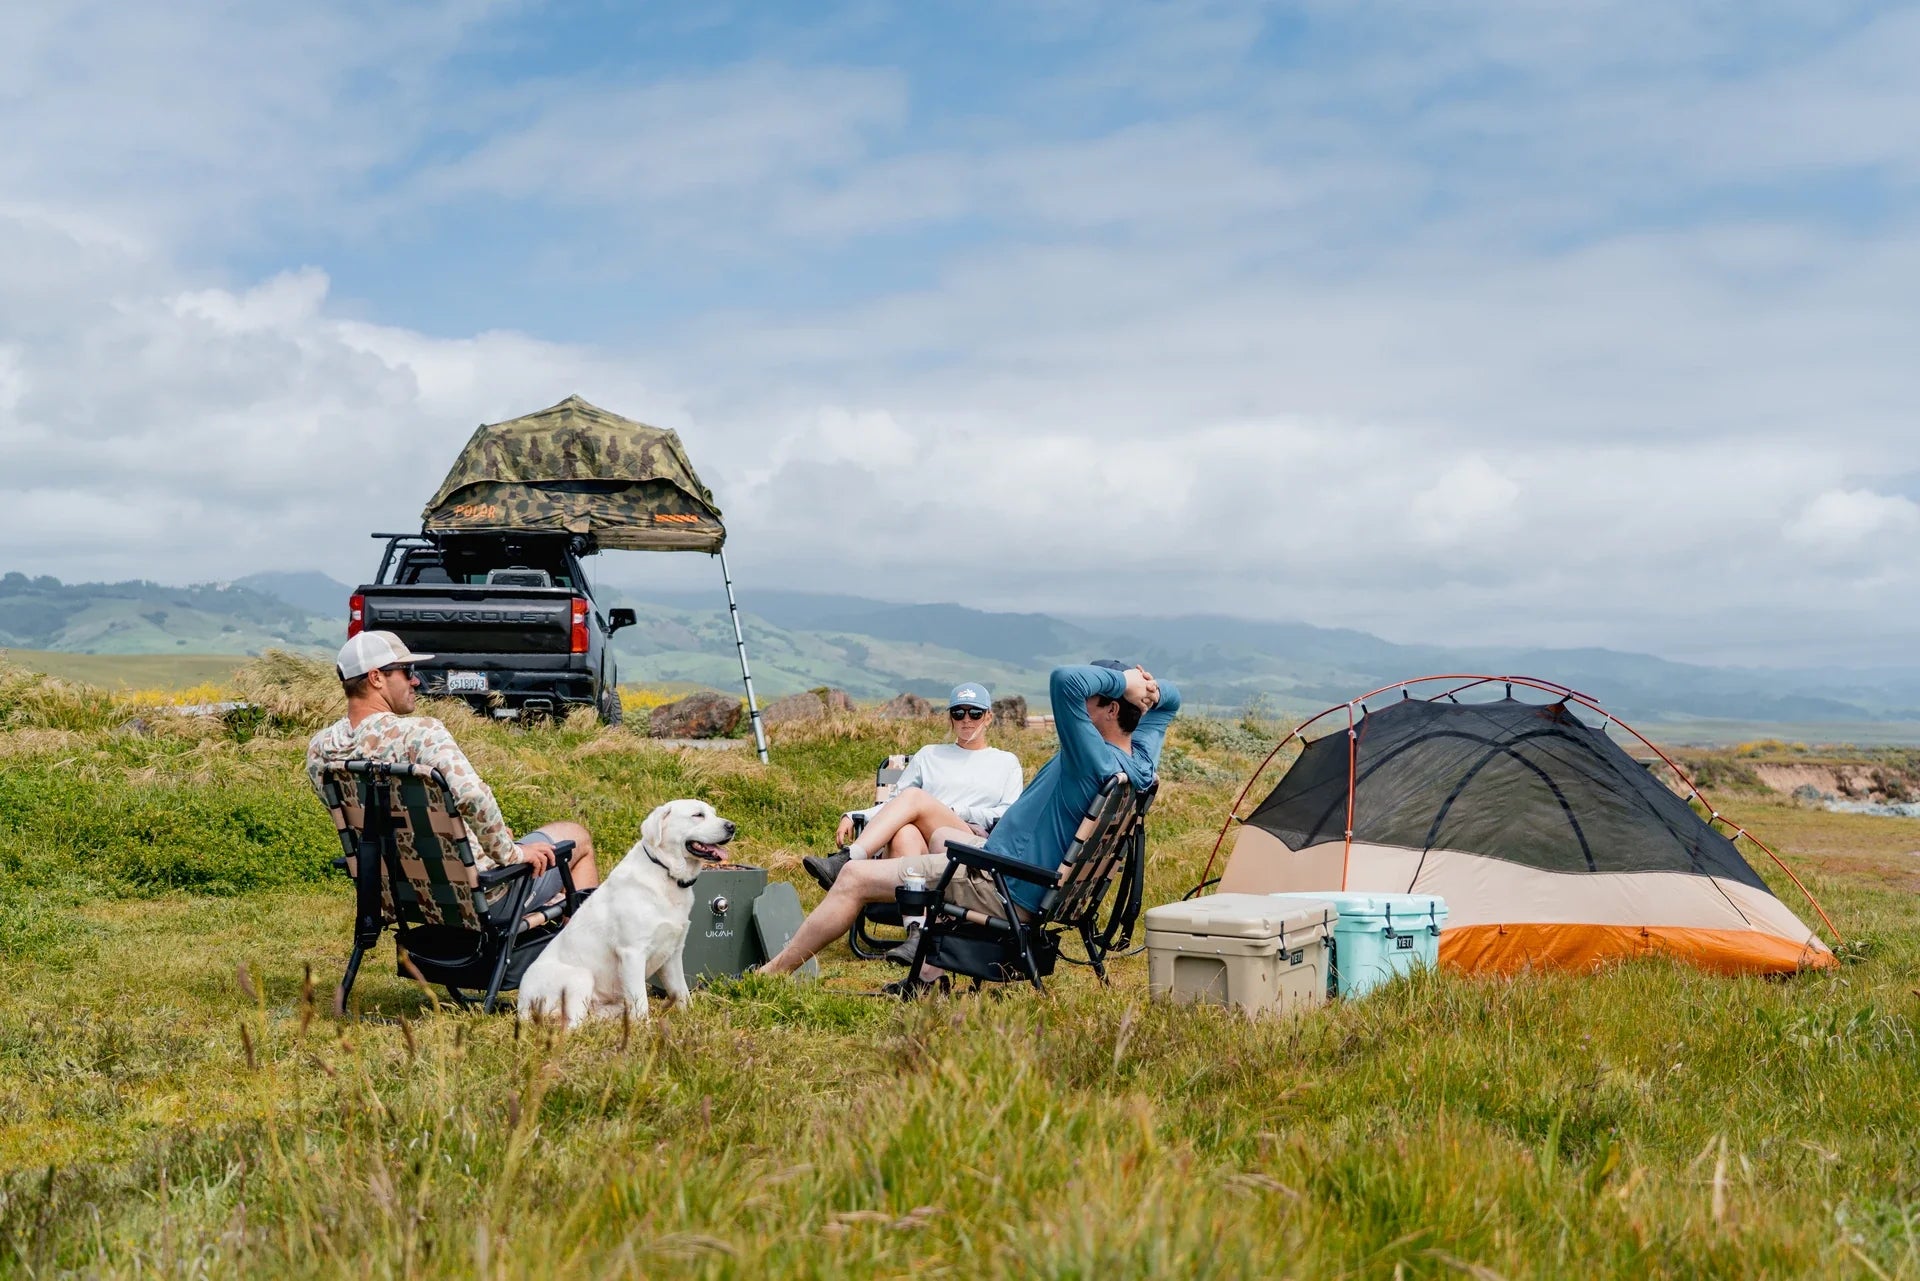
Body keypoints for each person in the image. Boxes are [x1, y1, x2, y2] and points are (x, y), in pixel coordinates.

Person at [759, 660, 1178, 988]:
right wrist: (1149, 689)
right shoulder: (1139, 760)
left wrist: (1124, 682)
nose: (1085, 706)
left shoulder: (1092, 756)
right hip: (1027, 878)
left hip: (1001, 884)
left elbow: (1065, 680)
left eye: (1100, 695)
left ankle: (772, 974)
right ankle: (928, 977)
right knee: (942, 834)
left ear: (1110, 708)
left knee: (853, 876)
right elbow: (1172, 701)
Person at [304, 631, 600, 919]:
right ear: (376, 677)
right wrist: (511, 854)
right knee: (577, 839)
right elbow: (471, 796)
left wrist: (480, 841)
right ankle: (579, 960)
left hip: (396, 897)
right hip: (479, 899)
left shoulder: (321, 751)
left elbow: (388, 825)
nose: (416, 680)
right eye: (407, 671)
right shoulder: (420, 734)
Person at [800, 682, 1025, 891]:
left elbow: (1009, 815)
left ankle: (848, 860)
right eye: (959, 713)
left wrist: (958, 812)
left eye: (975, 713)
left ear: (988, 717)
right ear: (951, 718)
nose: (967, 719)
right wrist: (853, 815)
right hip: (922, 842)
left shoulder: (1006, 762)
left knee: (915, 797)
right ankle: (917, 925)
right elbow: (896, 805)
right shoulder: (929, 754)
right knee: (904, 832)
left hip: (969, 840)